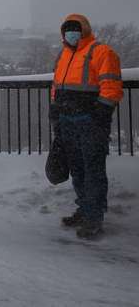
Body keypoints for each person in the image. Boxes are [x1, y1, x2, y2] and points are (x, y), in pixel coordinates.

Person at [50, 14, 122, 240]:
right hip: (68, 121)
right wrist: (55, 108)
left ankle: (94, 217)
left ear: (84, 31)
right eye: (67, 30)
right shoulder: (64, 55)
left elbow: (111, 86)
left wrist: (100, 113)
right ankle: (84, 209)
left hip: (89, 122)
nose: (71, 34)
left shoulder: (101, 51)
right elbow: (57, 86)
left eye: (75, 29)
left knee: (93, 171)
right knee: (78, 169)